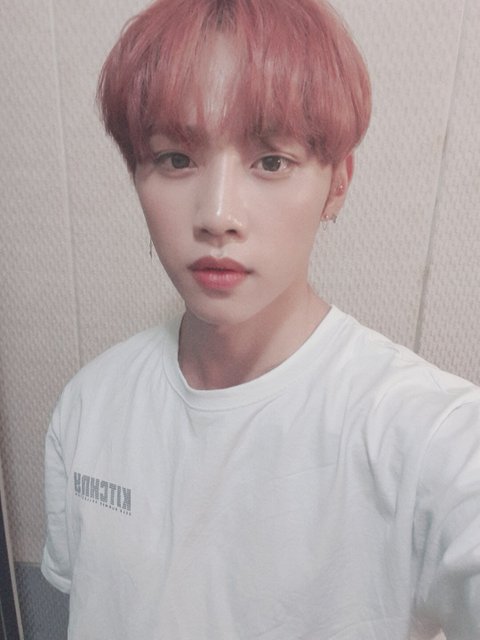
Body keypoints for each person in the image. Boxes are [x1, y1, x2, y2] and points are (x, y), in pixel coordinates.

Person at [41, 0, 480, 638]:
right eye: (175, 158)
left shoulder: (432, 437)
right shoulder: (89, 406)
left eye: (271, 161)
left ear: (337, 184)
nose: (217, 215)